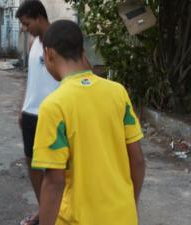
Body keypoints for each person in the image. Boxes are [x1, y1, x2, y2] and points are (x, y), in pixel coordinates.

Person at [33, 20, 145, 225]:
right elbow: (137, 160)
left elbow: (54, 182)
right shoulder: (117, 92)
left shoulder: (54, 106)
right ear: (82, 51)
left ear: (49, 53)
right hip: (123, 216)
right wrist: (131, 205)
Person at [15, 1, 60, 224]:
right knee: (32, 163)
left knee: (56, 169)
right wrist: (24, 107)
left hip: (55, 114)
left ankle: (60, 212)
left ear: (39, 18)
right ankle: (43, 211)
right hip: (32, 113)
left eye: (26, 23)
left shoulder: (60, 39)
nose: (25, 28)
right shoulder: (33, 42)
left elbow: (83, 70)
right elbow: (32, 77)